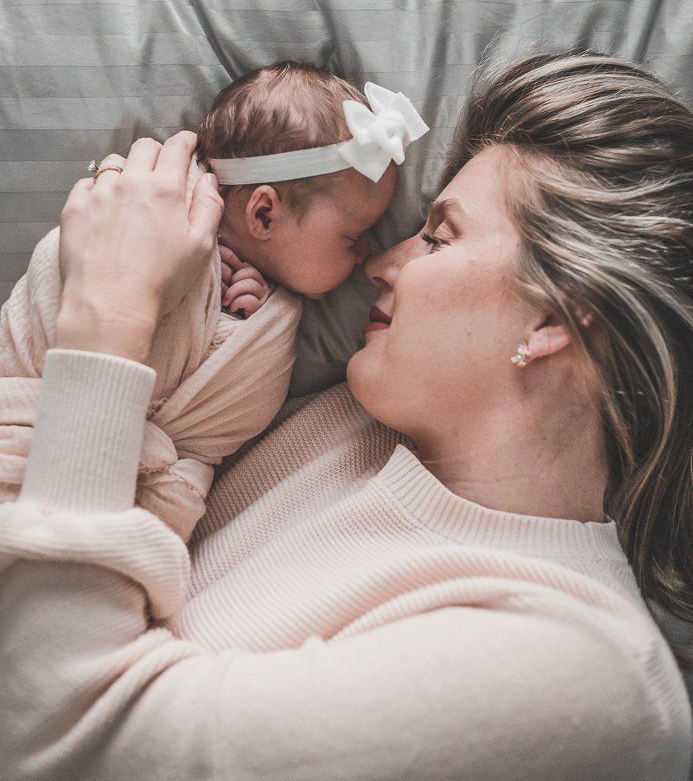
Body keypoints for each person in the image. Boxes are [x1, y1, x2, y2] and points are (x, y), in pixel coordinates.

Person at [0, 52, 691, 781]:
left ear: (552, 316)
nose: (378, 264)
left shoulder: (576, 678)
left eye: (438, 236)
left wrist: (106, 320)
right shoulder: (352, 423)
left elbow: (63, 742)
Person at [0, 61, 413, 538]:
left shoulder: (268, 306)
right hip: (38, 420)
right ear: (262, 214)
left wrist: (236, 320)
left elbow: (213, 394)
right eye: (353, 236)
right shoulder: (145, 217)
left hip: (107, 455)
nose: (366, 257)